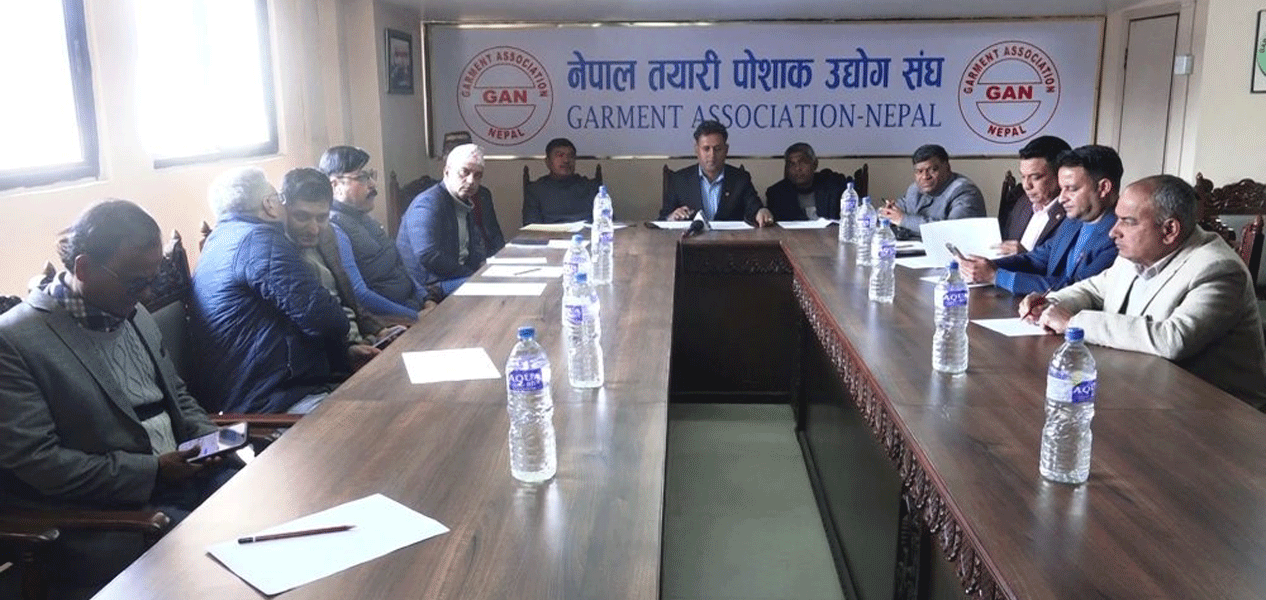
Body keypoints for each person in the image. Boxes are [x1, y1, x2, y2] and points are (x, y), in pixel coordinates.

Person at [0, 200, 235, 593]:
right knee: (218, 565)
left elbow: (177, 395)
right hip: (109, 515)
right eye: (134, 283)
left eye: (152, 280)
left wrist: (209, 441)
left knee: (269, 505)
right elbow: (40, 463)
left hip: (184, 477)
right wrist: (153, 471)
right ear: (83, 268)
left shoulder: (133, 313)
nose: (146, 294)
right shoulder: (14, 341)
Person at [1021, 174, 1266, 410]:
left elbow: (1173, 339)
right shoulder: (1136, 254)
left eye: (1127, 221)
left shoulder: (1218, 269)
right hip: (1145, 390)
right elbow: (1094, 289)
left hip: (1217, 412)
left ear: (1169, 230)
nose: (1113, 231)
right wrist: (1051, 302)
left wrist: (1073, 323)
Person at [191, 167, 364, 415]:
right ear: (270, 205)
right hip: (273, 402)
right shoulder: (260, 239)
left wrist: (344, 354)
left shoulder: (220, 238)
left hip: (260, 390)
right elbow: (327, 319)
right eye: (279, 198)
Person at [959, 145, 1122, 295]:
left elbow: (1078, 289)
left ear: (1103, 188)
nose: (1061, 198)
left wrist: (996, 276)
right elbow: (1034, 260)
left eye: (1071, 189)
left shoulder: (1119, 236)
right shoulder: (1073, 221)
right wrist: (984, 266)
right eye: (1062, 188)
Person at [320, 145, 436, 322]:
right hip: (393, 320)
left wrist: (426, 298)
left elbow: (400, 266)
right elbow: (359, 293)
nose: (372, 184)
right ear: (334, 185)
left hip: (415, 306)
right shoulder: (336, 228)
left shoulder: (365, 218)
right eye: (362, 177)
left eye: (370, 175)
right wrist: (414, 316)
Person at [398, 144, 504, 297]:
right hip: (429, 286)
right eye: (464, 172)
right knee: (499, 287)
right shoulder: (427, 204)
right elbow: (428, 255)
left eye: (477, 175)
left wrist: (483, 266)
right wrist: (472, 275)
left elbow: (472, 247)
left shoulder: (463, 201)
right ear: (446, 172)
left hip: (454, 277)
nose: (471, 181)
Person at [660, 120, 774, 226]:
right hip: (691, 239)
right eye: (706, 149)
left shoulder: (740, 179)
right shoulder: (679, 180)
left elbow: (754, 209)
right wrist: (671, 217)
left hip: (731, 240)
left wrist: (761, 212)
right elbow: (662, 219)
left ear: (726, 149)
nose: (712, 155)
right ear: (696, 150)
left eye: (717, 149)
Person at [878, 144, 986, 239]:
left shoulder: (964, 191)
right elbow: (895, 210)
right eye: (919, 171)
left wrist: (903, 219)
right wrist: (887, 213)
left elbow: (952, 232)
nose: (925, 176)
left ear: (947, 168)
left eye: (932, 170)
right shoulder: (915, 189)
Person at [996, 135, 1071, 256]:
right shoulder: (1022, 203)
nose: (1026, 185)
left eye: (1035, 177)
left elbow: (1064, 265)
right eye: (1023, 176)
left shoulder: (1073, 214)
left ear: (1060, 175)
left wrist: (1024, 257)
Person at [523, 137, 602, 225]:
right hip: (549, 233)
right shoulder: (535, 190)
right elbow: (531, 227)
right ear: (548, 162)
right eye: (560, 155)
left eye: (571, 156)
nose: (566, 160)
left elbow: (606, 222)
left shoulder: (591, 187)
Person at [764, 142, 852, 221]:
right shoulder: (777, 194)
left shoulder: (833, 185)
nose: (797, 168)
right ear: (786, 168)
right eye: (792, 164)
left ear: (815, 164)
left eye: (802, 162)